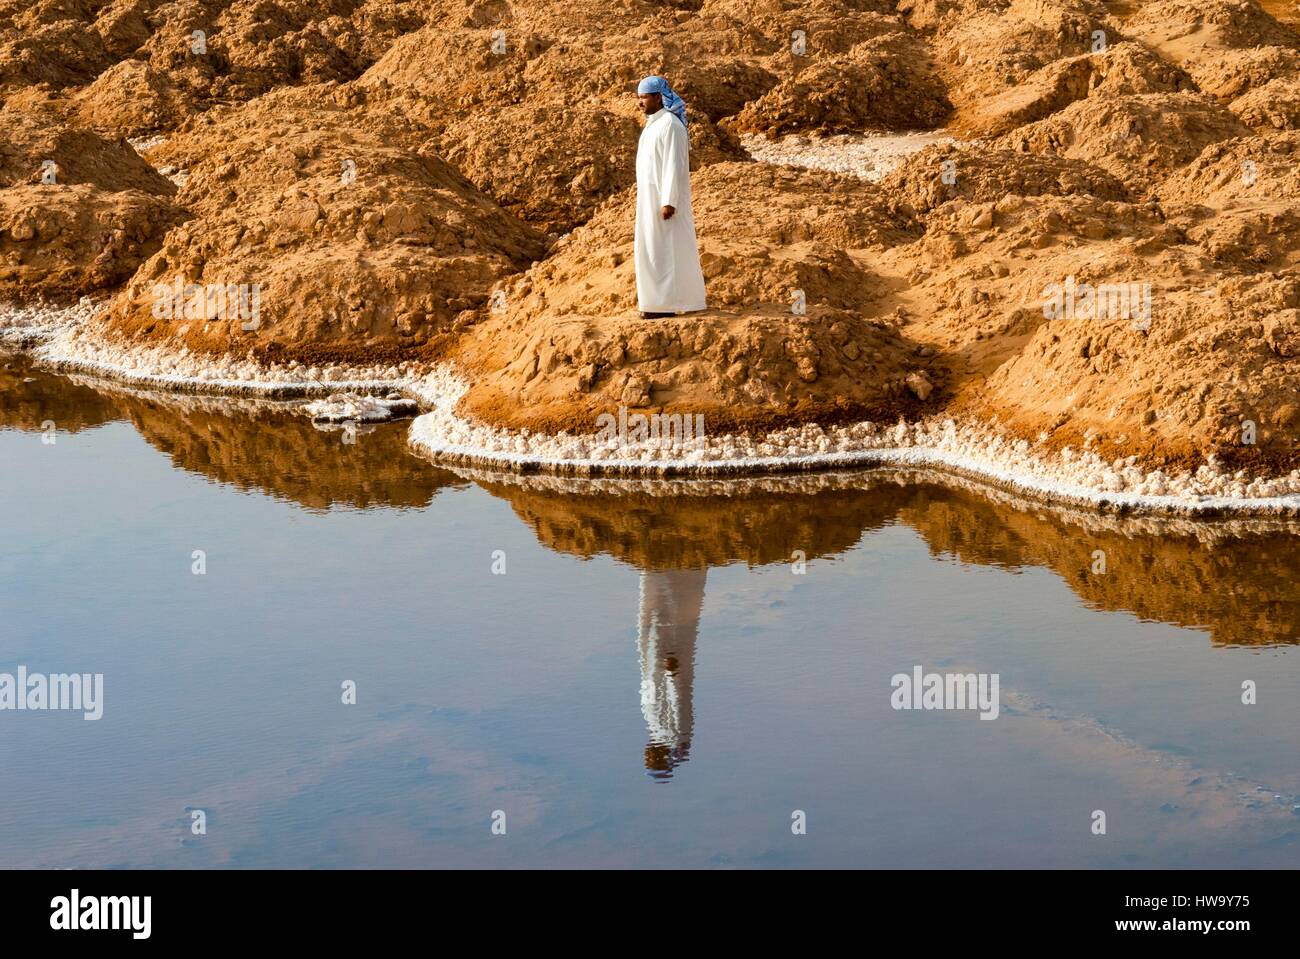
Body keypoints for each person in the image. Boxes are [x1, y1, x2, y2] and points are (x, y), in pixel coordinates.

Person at [634, 76, 707, 320]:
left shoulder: (671, 125)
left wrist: (669, 201)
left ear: (658, 97)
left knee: (668, 252)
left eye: (644, 97)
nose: (640, 103)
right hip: (649, 198)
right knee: (652, 251)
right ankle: (655, 303)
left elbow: (674, 166)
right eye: (639, 97)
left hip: (665, 201)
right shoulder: (653, 125)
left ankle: (669, 303)